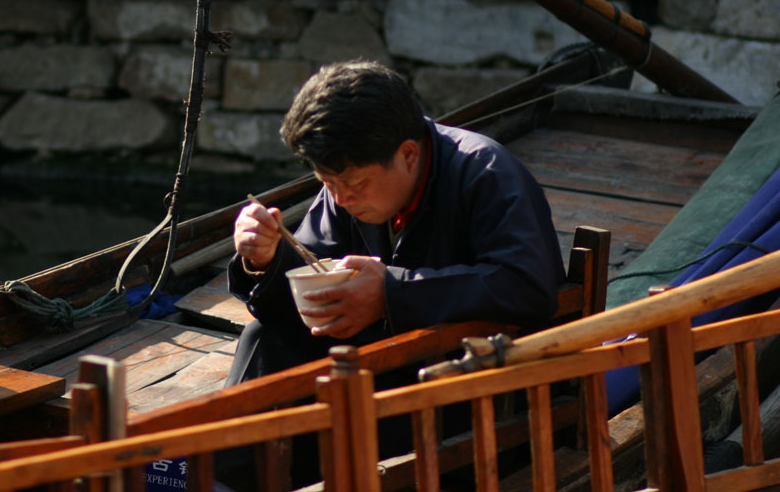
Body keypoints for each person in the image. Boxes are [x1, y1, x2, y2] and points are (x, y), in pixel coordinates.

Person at [227, 58, 565, 384]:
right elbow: (315, 269)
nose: (341, 199)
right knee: (263, 338)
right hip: (383, 360)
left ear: (408, 154)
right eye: (328, 183)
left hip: (469, 382)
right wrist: (265, 259)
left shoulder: (485, 172)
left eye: (356, 184)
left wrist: (392, 293)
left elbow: (528, 285)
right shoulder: (344, 184)